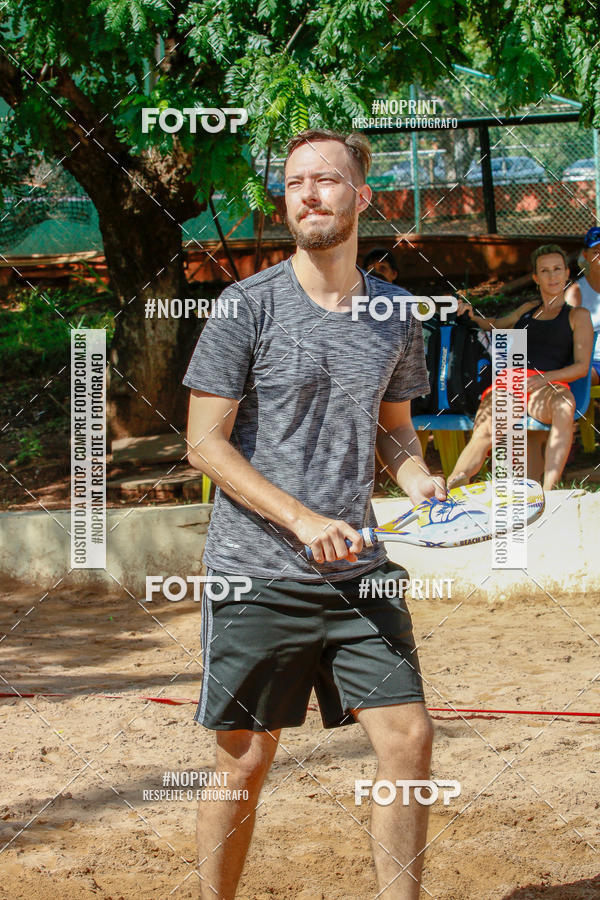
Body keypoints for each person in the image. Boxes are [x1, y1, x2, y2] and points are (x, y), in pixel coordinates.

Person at [184, 127, 445, 900]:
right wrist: (300, 521)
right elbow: (204, 444)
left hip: (359, 571)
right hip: (256, 572)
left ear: (362, 197)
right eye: (295, 181)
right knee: (244, 759)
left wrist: (417, 475)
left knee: (410, 739)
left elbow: (392, 430)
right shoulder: (245, 307)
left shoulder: (397, 313)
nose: (308, 194)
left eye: (326, 180)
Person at [448, 244, 593, 492]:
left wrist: (543, 379)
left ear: (567, 273)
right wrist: (469, 315)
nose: (552, 276)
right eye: (545, 271)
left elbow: (581, 367)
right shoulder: (528, 310)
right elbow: (494, 324)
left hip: (548, 386)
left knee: (564, 404)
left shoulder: (577, 315)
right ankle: (454, 483)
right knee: (485, 431)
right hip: (511, 382)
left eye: (557, 269)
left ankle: (549, 490)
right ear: (536, 277)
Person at [565, 226, 600, 384]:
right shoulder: (576, 293)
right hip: (590, 363)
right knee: (581, 378)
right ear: (586, 255)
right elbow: (565, 335)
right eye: (596, 252)